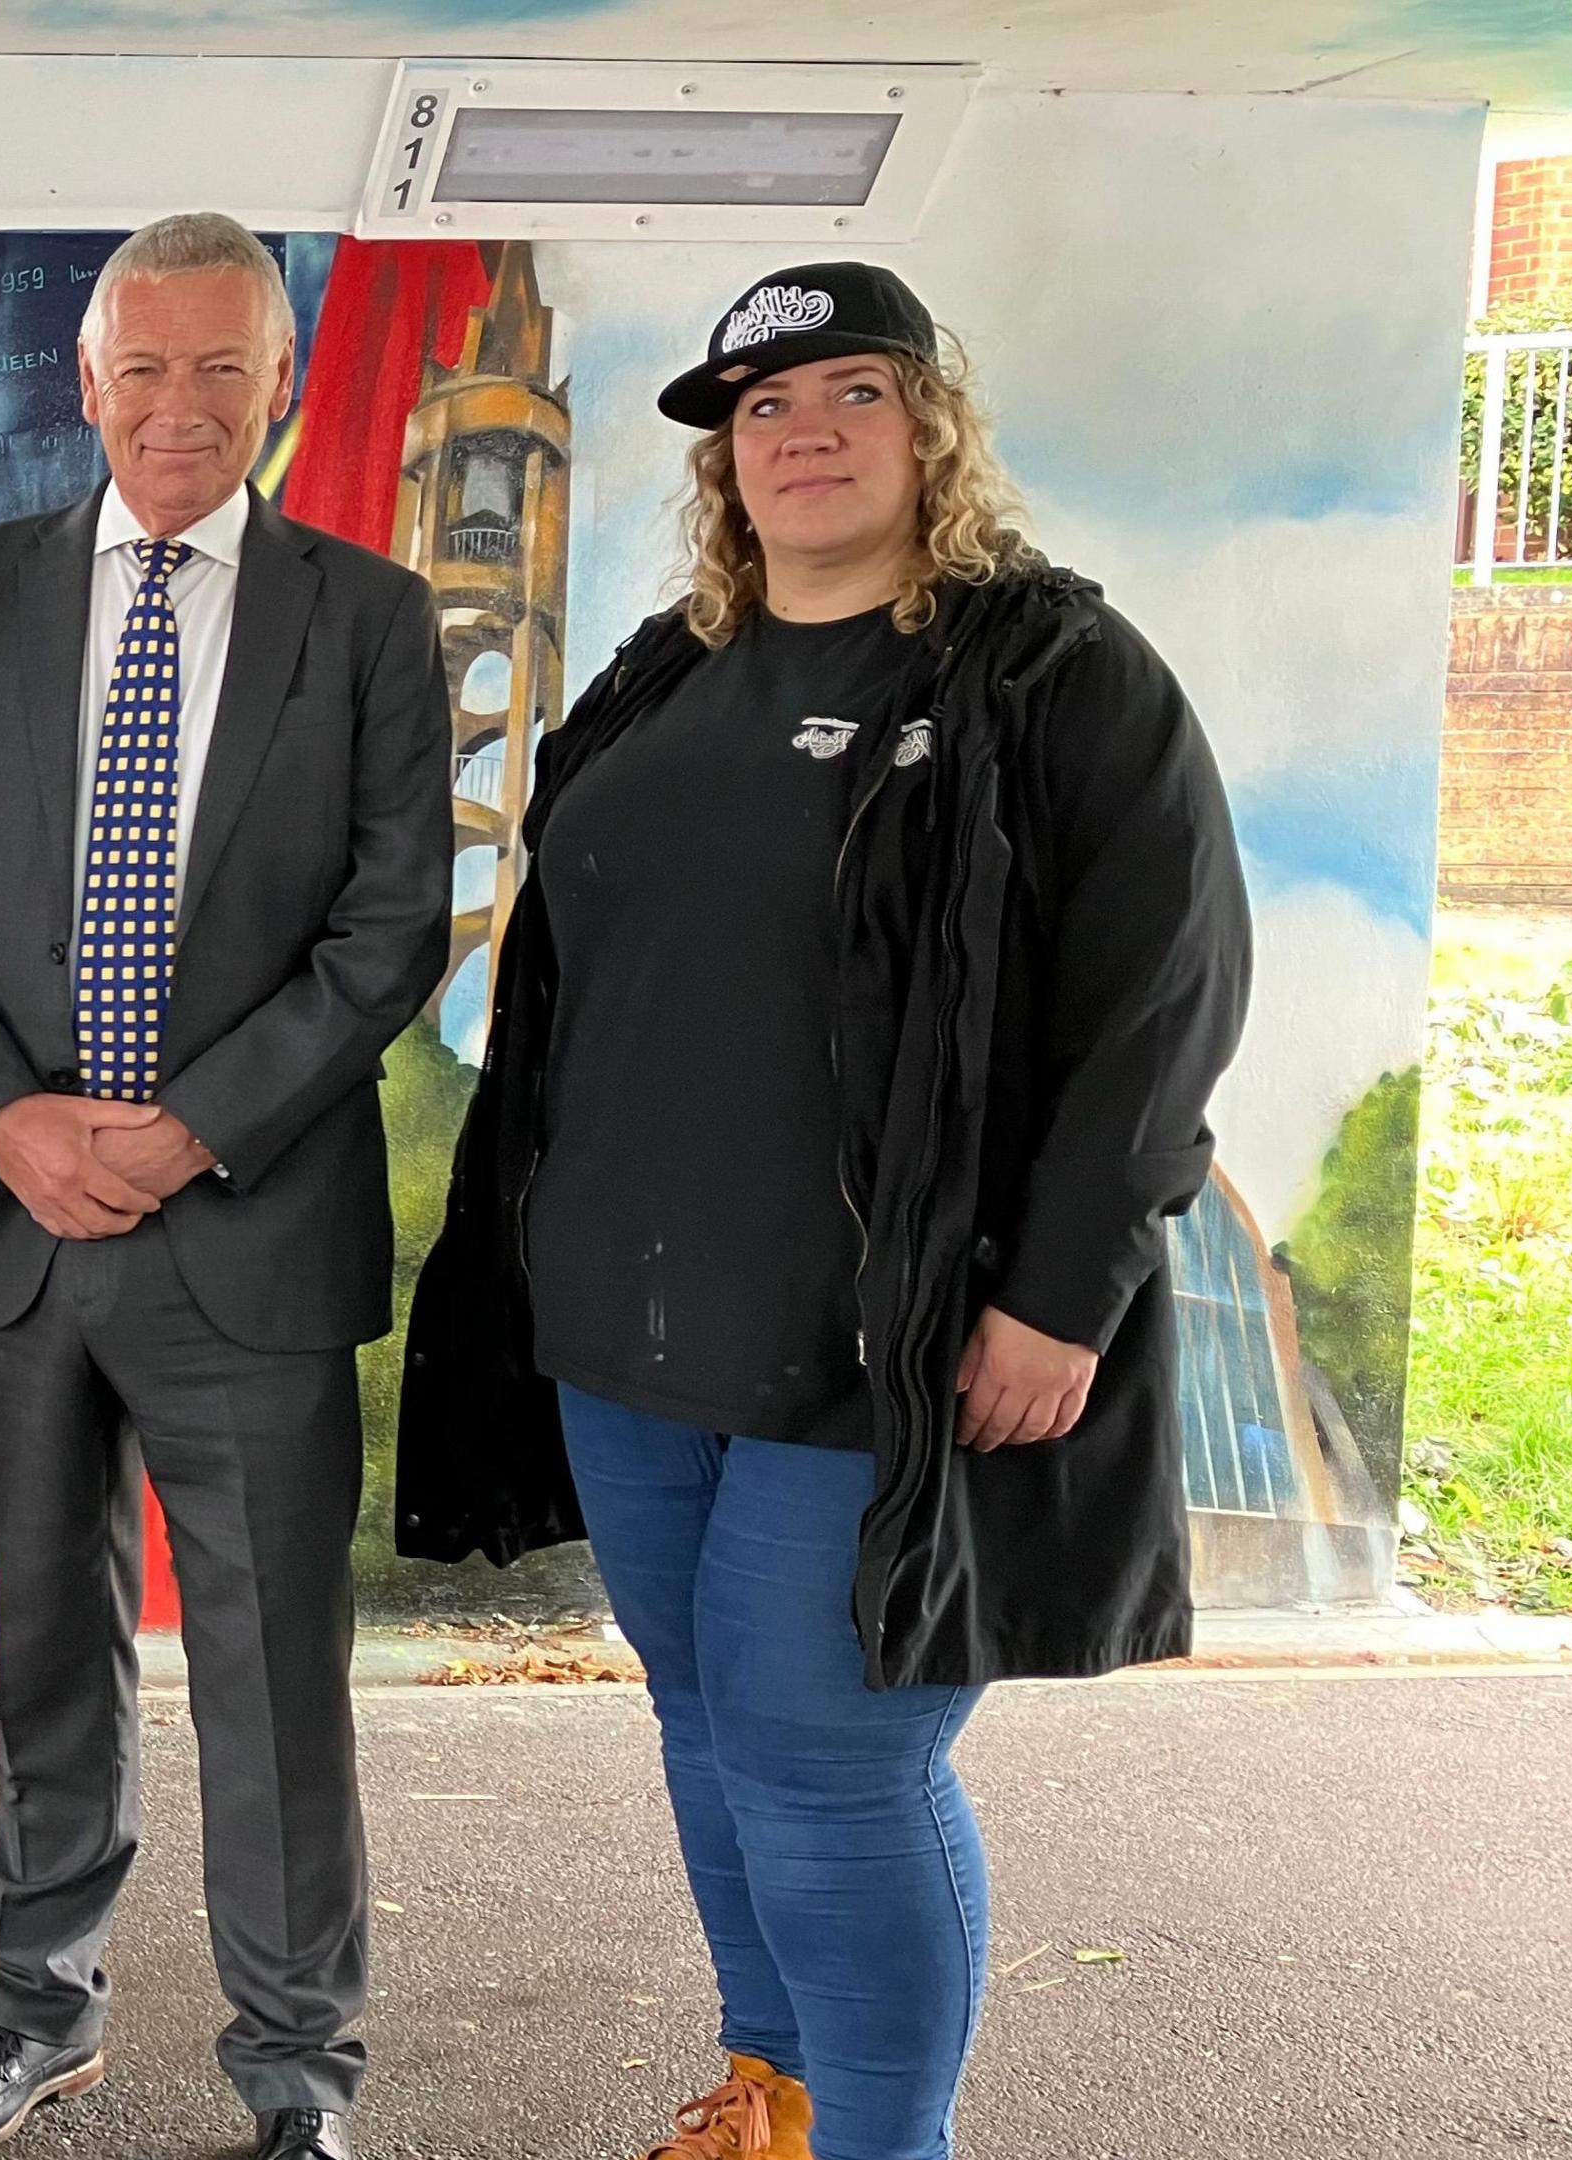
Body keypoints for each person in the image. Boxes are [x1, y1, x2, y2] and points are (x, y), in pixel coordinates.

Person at [396, 263, 1254, 2160]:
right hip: (626, 1339)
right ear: (725, 460)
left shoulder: (1049, 676)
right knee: (709, 1724)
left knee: (832, 1761)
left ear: (928, 426)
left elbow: (1161, 1009)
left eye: (851, 394)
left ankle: (885, 2139)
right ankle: (770, 2094)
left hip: (887, 1343)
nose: (803, 433)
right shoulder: (662, 678)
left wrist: (1062, 1292)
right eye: (763, 408)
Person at [0, 211, 452, 2160]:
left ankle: (296, 2073)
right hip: (19, 1234)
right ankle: (41, 2013)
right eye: (144, 366)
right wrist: (10, 1121)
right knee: (46, 1654)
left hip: (246, 1232)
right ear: (84, 381)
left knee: (275, 1689)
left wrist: (192, 1127)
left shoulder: (362, 622)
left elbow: (387, 932)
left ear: (276, 385)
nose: (177, 404)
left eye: (220, 367)